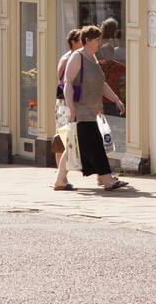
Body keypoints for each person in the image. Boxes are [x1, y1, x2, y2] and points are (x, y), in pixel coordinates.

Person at [62, 25, 127, 192]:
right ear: (87, 40)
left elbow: (101, 84)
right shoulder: (77, 57)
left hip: (93, 110)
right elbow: (68, 83)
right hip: (81, 110)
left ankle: (61, 179)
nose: (100, 42)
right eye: (97, 39)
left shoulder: (93, 58)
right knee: (95, 144)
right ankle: (107, 179)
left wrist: (116, 99)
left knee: (79, 145)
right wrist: (71, 107)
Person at [51, 29, 82, 192]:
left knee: (64, 137)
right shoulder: (69, 58)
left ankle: (62, 176)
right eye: (81, 40)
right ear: (74, 42)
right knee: (65, 138)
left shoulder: (70, 57)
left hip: (65, 102)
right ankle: (62, 177)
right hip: (66, 103)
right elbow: (64, 82)